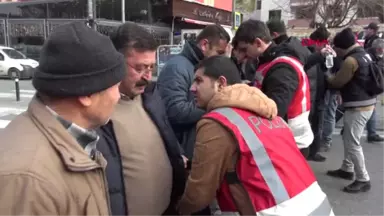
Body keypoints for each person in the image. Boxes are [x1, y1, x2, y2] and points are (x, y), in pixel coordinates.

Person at [177, 55, 334, 216]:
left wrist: (180, 210)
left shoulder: (217, 122)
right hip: (317, 207)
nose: (192, 88)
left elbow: (200, 193)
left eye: (199, 81)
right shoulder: (269, 113)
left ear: (221, 84)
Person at [0, 22, 126, 215]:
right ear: (86, 95)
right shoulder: (28, 180)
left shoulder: (73, 138)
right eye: (116, 86)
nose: (119, 96)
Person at [98, 22, 186, 216]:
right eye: (140, 68)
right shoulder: (97, 112)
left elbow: (166, 137)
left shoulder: (152, 96)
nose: (148, 76)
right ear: (115, 62)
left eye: (151, 67)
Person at [234, 20, 314, 156]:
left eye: (245, 49)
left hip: (291, 141)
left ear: (258, 43)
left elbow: (274, 109)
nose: (243, 55)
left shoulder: (282, 67)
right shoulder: (269, 61)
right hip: (285, 138)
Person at [157, 24, 230, 160]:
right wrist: (214, 103)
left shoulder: (201, 67)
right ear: (204, 45)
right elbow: (175, 111)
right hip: (181, 152)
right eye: (219, 53)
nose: (221, 59)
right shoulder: (177, 67)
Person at [268, 19, 328, 162]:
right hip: (307, 100)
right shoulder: (298, 47)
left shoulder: (285, 53)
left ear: (274, 35)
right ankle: (313, 151)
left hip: (297, 109)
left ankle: (313, 151)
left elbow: (278, 106)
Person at [326, 28, 375, 193]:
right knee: (348, 137)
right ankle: (347, 169)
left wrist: (328, 74)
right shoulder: (364, 54)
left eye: (337, 49)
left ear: (342, 47)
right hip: (367, 102)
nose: (337, 52)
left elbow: (337, 82)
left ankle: (363, 179)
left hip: (358, 106)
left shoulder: (350, 61)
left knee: (352, 142)